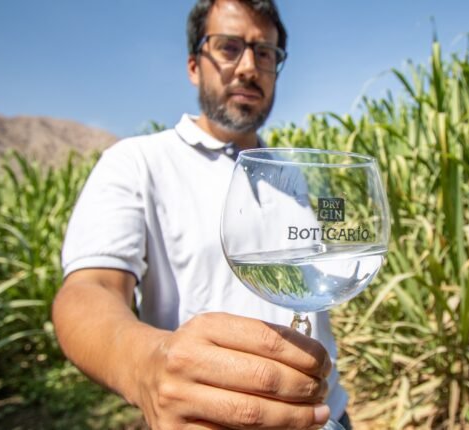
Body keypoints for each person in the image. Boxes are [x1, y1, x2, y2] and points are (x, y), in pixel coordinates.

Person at [51, 0, 352, 428]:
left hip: (328, 413)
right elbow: (89, 289)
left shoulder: (295, 173)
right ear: (194, 66)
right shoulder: (137, 162)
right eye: (229, 47)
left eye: (265, 53)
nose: (248, 67)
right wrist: (145, 365)